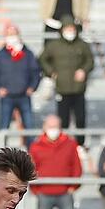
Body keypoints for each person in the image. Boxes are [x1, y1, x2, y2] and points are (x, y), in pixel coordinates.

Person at [30, 115, 82, 209]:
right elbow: (31, 168)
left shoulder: (70, 144)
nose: (53, 130)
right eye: (50, 127)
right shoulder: (36, 145)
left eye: (56, 127)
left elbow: (76, 166)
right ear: (44, 128)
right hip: (44, 194)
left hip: (65, 193)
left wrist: (74, 186)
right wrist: (36, 190)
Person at [39, 15, 94, 146]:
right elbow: (42, 59)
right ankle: (62, 143)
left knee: (80, 118)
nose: (70, 31)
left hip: (78, 89)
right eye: (67, 28)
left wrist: (83, 70)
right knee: (63, 120)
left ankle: (81, 144)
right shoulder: (54, 46)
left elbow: (90, 61)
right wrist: (51, 72)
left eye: (72, 28)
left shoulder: (82, 45)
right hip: (62, 89)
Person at [0, 24, 41, 148]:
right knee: (4, 126)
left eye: (13, 33)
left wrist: (32, 87)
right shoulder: (0, 54)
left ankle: (31, 153)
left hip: (24, 95)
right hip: (7, 97)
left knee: (29, 125)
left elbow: (36, 72)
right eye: (9, 34)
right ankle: (1, 154)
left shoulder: (28, 53)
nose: (11, 37)